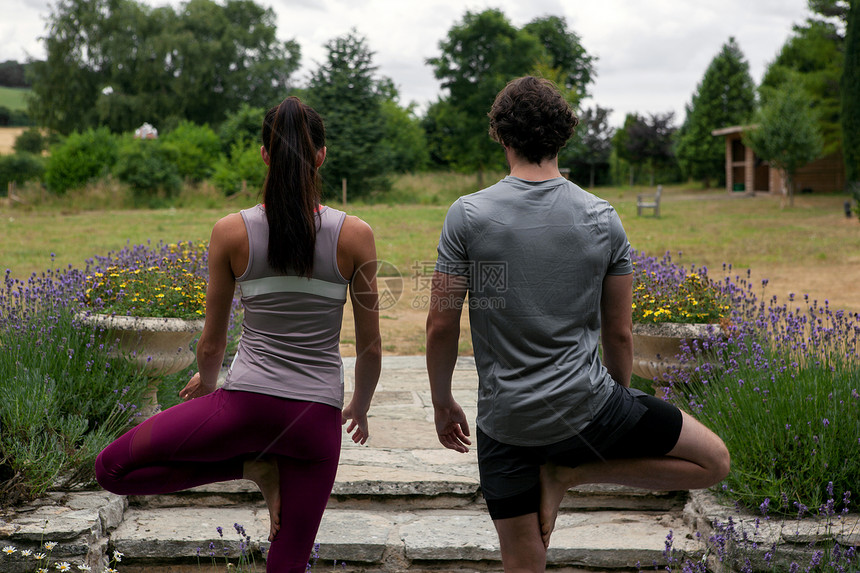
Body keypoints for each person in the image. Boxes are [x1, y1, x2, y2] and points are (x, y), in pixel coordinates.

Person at [425, 76, 730, 572]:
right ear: (563, 136)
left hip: (506, 426)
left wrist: (442, 402)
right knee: (714, 461)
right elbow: (620, 333)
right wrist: (614, 417)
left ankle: (563, 474)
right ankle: (571, 472)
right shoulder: (602, 217)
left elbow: (441, 325)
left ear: (502, 136)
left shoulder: (466, 216)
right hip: (590, 409)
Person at [96, 96, 382, 572]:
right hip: (316, 422)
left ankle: (251, 467)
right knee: (287, 562)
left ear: (264, 154)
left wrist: (208, 387)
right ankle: (259, 468)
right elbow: (371, 347)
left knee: (111, 469)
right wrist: (361, 406)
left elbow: (213, 341)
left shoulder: (232, 231)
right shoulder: (355, 235)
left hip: (244, 407)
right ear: (322, 155)